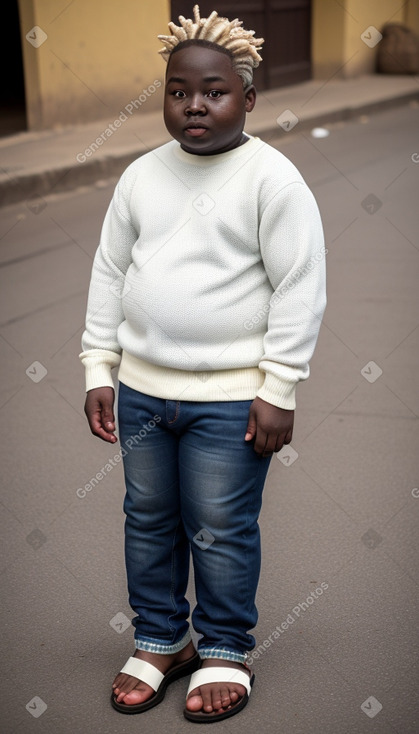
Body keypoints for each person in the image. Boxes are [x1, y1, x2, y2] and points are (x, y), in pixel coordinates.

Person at [80, 4, 326, 723]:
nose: (194, 105)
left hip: (231, 398)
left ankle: (223, 648)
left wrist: (278, 389)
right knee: (147, 520)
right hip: (143, 392)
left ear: (247, 98)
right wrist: (101, 368)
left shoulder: (271, 180)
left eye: (214, 91)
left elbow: (299, 288)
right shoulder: (140, 178)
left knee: (218, 525)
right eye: (178, 91)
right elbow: (108, 274)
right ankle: (161, 639)